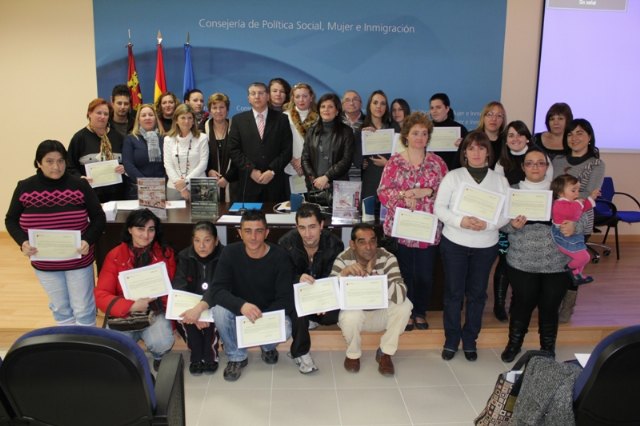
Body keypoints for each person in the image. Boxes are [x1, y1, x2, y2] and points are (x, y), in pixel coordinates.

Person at [180, 210, 295, 382]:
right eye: (247, 231)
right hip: (239, 311)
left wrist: (261, 318)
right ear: (240, 233)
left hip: (268, 313)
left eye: (258, 231)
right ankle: (236, 357)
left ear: (267, 232)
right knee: (219, 311)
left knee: (286, 327)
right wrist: (242, 306)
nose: (253, 237)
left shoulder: (280, 257)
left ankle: (267, 346)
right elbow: (218, 290)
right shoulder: (230, 253)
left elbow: (286, 299)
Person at [499, 147, 588, 362]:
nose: (535, 167)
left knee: (550, 307)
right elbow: (500, 225)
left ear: (547, 167)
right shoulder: (512, 191)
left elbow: (584, 218)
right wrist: (513, 226)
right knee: (522, 305)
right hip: (522, 261)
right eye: (530, 163)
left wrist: (574, 226)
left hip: (556, 263)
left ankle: (548, 349)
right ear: (523, 167)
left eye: (540, 163)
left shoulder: (559, 190)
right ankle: (514, 343)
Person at [5, 140, 106, 326]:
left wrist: (88, 240)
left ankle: (86, 349)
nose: (56, 167)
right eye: (49, 161)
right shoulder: (25, 187)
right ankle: (67, 348)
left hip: (78, 259)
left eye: (60, 161)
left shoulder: (79, 185)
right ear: (38, 163)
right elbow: (10, 219)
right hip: (44, 260)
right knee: (61, 309)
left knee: (83, 309)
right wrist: (23, 242)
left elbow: (99, 217)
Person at [434, 130, 510, 361]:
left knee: (477, 294)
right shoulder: (454, 177)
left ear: (488, 151)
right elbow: (439, 208)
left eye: (481, 147)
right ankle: (451, 340)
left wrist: (487, 225)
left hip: (486, 245)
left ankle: (470, 340)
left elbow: (507, 212)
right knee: (453, 294)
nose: (476, 152)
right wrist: (461, 221)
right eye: (471, 148)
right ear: (464, 152)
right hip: (455, 242)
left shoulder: (499, 180)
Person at [378, 112, 448, 331]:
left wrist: (427, 191)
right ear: (406, 135)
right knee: (405, 274)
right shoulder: (395, 162)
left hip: (427, 229)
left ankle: (420, 311)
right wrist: (403, 196)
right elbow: (383, 191)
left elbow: (448, 193)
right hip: (402, 228)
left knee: (426, 275)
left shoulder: (437, 163)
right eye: (415, 132)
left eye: (424, 133)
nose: (420, 137)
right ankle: (406, 312)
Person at [94, 209, 175, 370]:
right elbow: (101, 295)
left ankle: (158, 355)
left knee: (162, 342)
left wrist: (172, 323)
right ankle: (128, 354)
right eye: (140, 228)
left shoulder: (165, 254)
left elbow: (172, 290)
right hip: (125, 313)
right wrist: (130, 306)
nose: (146, 235)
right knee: (115, 346)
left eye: (151, 229)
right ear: (130, 229)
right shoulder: (115, 255)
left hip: (155, 312)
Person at [491, 120, 553, 321]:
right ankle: (499, 304)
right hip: (510, 219)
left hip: (538, 220)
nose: (515, 138)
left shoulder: (540, 158)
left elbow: (548, 187)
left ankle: (518, 303)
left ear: (527, 137)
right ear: (506, 140)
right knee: (504, 262)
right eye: (510, 135)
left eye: (519, 134)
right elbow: (500, 192)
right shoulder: (501, 162)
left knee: (523, 266)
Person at [332, 223, 412, 376]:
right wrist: (344, 274)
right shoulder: (343, 259)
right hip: (358, 316)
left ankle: (385, 353)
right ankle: (353, 355)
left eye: (372, 241)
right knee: (350, 316)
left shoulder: (387, 258)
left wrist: (378, 280)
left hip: (381, 315)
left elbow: (401, 294)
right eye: (362, 242)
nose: (369, 247)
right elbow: (330, 295)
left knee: (405, 306)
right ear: (353, 244)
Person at [278, 203, 344, 373]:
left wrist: (323, 300)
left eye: (313, 227)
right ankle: (301, 352)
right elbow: (281, 278)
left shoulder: (335, 244)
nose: (307, 234)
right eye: (302, 228)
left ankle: (310, 320)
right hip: (296, 295)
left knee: (336, 314)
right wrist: (297, 278)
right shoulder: (285, 243)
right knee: (298, 308)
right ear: (296, 227)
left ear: (322, 225)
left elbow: (334, 277)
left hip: (321, 296)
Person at [551, 118, 605, 322]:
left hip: (580, 220)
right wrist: (572, 196)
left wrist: (569, 198)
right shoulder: (557, 160)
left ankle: (567, 309)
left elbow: (588, 194)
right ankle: (552, 305)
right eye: (570, 133)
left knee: (575, 267)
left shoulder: (596, 164)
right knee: (557, 264)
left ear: (589, 137)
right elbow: (552, 189)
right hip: (556, 220)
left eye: (580, 133)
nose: (574, 138)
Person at [172, 221, 223, 375]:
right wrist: (195, 314)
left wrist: (201, 310)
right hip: (190, 305)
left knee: (213, 322)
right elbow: (179, 287)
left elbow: (221, 287)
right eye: (197, 240)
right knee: (185, 318)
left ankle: (210, 355)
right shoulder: (184, 256)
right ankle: (196, 355)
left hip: (214, 304)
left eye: (207, 240)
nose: (202, 246)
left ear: (216, 241)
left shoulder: (225, 256)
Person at [228, 82, 293, 202]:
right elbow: (234, 150)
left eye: (261, 93)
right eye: (253, 93)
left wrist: (272, 171)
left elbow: (287, 150)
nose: (257, 96)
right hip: (248, 182)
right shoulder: (238, 120)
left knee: (275, 219)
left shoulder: (281, 119)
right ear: (248, 98)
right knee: (249, 219)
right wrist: (251, 170)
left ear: (268, 96)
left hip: (275, 182)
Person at [68, 98, 125, 202]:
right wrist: (80, 178)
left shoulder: (117, 137)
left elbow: (127, 161)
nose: (102, 117)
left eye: (106, 114)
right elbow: (70, 166)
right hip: (89, 194)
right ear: (89, 114)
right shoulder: (79, 138)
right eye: (99, 113)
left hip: (117, 194)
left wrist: (124, 168)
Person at [550, 174, 599, 285]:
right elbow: (572, 211)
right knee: (584, 257)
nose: (577, 193)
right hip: (562, 236)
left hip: (574, 235)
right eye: (573, 190)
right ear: (560, 193)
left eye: (578, 189)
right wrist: (578, 203)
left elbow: (584, 207)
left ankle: (577, 275)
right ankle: (569, 268)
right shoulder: (559, 204)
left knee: (583, 257)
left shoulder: (572, 203)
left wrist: (591, 198)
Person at [301, 93, 355, 191]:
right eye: (323, 106)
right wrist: (315, 181)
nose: (326, 109)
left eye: (330, 106)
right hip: (315, 187)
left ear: (337, 111)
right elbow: (305, 158)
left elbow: (346, 160)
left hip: (338, 187)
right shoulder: (311, 131)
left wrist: (326, 178)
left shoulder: (346, 131)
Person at [358, 90, 398, 209]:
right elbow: (355, 158)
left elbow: (402, 158)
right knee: (368, 221)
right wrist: (362, 138)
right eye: (375, 103)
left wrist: (388, 163)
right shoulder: (361, 128)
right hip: (369, 182)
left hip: (390, 182)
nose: (379, 106)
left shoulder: (394, 128)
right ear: (369, 105)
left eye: (383, 103)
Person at [163, 103, 209, 201]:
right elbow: (168, 165)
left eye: (190, 118)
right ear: (176, 120)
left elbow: (203, 164)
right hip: (174, 187)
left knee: (200, 217)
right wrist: (182, 187)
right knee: (175, 217)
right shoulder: (168, 139)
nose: (186, 121)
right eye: (183, 118)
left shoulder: (202, 138)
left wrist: (186, 181)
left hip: (199, 187)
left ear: (193, 121)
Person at [121, 103, 165, 199]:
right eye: (143, 115)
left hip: (161, 188)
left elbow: (169, 163)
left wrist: (160, 183)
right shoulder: (130, 139)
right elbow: (128, 165)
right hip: (137, 189)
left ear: (155, 118)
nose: (147, 118)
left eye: (150, 115)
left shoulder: (164, 138)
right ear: (138, 120)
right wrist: (146, 184)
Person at [453, 101, 506, 170]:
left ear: (503, 120)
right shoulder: (471, 137)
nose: (494, 119)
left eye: (499, 116)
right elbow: (457, 164)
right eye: (490, 114)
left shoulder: (506, 141)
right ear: (483, 117)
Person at [204, 92, 237, 202]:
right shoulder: (202, 129)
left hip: (234, 183)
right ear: (210, 110)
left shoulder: (236, 128)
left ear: (227, 110)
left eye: (222, 107)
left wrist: (228, 177)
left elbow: (241, 155)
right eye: (214, 107)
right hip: (209, 182)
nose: (218, 111)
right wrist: (208, 171)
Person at [284, 83, 319, 182]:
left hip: (312, 167)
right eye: (297, 96)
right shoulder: (284, 117)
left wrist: (303, 161)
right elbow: (280, 143)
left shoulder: (319, 118)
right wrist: (293, 161)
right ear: (293, 98)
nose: (301, 100)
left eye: (305, 96)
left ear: (311, 97)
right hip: (291, 166)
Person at [429, 93, 468, 170]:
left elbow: (468, 154)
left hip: (453, 173)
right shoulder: (425, 129)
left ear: (447, 108)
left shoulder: (460, 129)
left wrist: (464, 146)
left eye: (438, 107)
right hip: (430, 174)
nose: (434, 111)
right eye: (432, 108)